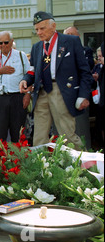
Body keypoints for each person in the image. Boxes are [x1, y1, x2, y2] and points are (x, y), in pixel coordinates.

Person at [19, 12, 93, 150]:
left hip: (62, 90)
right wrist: (25, 80)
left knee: (67, 135)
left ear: (53, 26)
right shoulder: (37, 47)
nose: (39, 32)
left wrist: (83, 95)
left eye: (42, 28)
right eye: (36, 29)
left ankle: (82, 166)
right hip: (41, 92)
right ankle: (41, 167)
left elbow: (85, 71)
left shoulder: (71, 42)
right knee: (39, 137)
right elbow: (32, 70)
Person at [0, 31, 31, 152]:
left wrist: (28, 95)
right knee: (0, 133)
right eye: (0, 43)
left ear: (11, 41)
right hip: (0, 98)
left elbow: (29, 76)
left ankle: (19, 162)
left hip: (17, 97)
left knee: (18, 132)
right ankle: (1, 162)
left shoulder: (21, 55)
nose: (3, 45)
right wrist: (0, 71)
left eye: (6, 42)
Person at [63, 26, 95, 149]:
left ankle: (87, 155)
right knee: (65, 131)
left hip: (80, 95)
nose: (70, 36)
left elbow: (86, 69)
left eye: (72, 34)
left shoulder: (85, 51)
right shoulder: (60, 52)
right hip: (64, 96)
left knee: (82, 129)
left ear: (78, 36)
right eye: (67, 34)